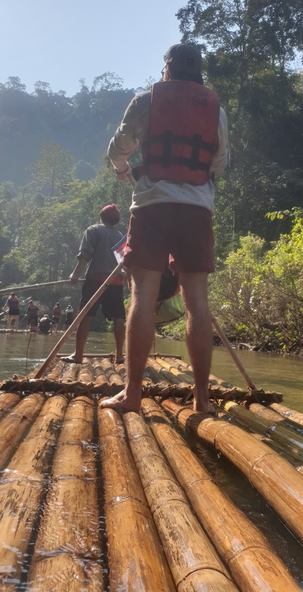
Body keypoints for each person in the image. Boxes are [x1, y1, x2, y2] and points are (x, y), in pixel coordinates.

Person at [101, 43, 228, 413]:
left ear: (167, 71)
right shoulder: (216, 110)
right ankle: (202, 399)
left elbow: (118, 148)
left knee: (142, 297)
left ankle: (133, 394)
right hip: (197, 210)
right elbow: (220, 162)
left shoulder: (147, 100)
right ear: (199, 73)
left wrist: (124, 172)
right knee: (197, 304)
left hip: (152, 205)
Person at [61, 204, 126, 364]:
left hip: (96, 279)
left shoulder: (93, 230)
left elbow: (85, 255)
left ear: (101, 217)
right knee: (118, 318)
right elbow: (123, 262)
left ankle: (78, 355)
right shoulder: (121, 236)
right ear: (116, 220)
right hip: (115, 281)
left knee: (85, 316)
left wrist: (75, 274)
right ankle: (119, 356)